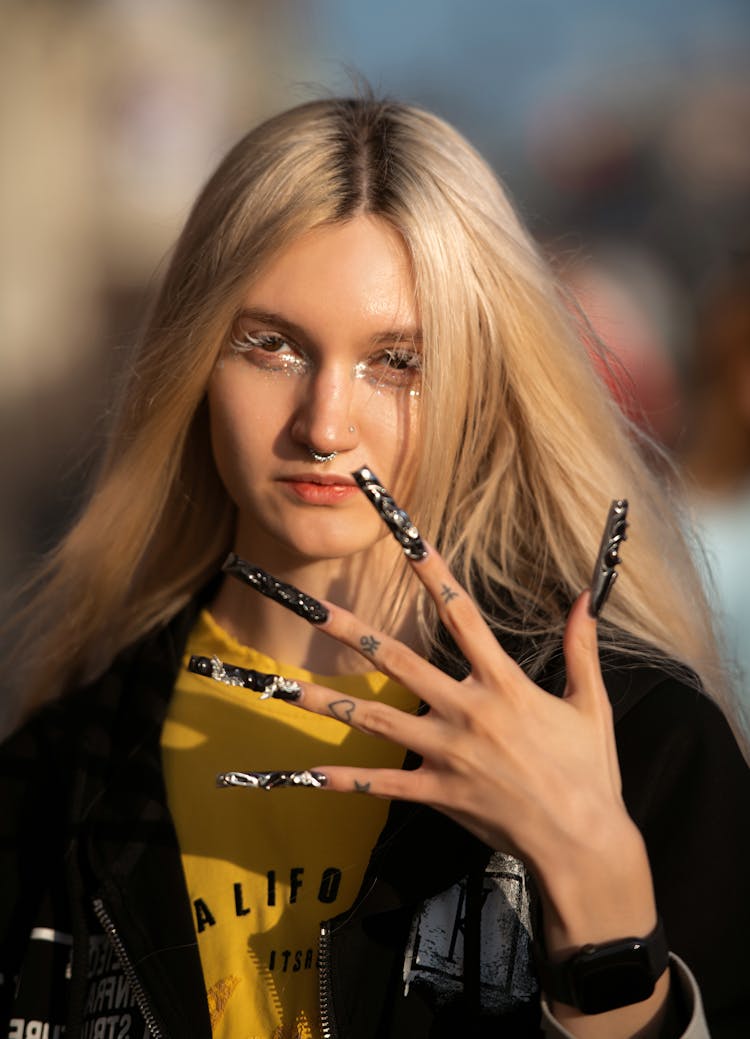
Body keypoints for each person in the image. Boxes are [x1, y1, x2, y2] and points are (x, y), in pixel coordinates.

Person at [1, 96, 748, 1039]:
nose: (324, 425)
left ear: (481, 379)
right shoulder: (61, 771)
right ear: (190, 360)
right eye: (269, 344)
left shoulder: (638, 741)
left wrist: (604, 921)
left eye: (397, 360)